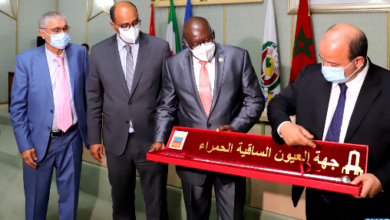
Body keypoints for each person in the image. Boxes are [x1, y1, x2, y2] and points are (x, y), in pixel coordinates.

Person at [267, 23, 390, 219]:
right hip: (316, 195)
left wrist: (382, 179)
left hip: (366, 202)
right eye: (322, 59)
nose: (324, 68)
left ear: (358, 61)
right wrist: (284, 126)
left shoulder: (387, 87)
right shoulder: (310, 75)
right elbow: (279, 102)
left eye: (333, 65)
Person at [151, 17, 265, 220]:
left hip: (229, 154)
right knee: (196, 216)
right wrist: (160, 138)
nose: (204, 46)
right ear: (186, 44)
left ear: (213, 33)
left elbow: (255, 101)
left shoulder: (238, 57)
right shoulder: (173, 64)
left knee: (231, 216)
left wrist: (236, 127)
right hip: (191, 157)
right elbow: (167, 108)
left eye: (207, 39)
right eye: (196, 43)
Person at [87, 1, 171, 219]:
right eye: (125, 25)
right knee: (121, 203)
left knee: (157, 203)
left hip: (152, 140)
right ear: (113, 25)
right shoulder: (98, 52)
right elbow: (94, 98)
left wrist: (163, 136)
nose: (132, 28)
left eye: (135, 23)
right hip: (116, 141)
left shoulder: (159, 47)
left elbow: (168, 97)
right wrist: (94, 138)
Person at [10, 11, 88, 220]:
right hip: (39, 142)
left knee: (70, 198)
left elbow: (87, 94)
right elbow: (17, 107)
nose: (62, 33)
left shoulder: (80, 54)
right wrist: (24, 144)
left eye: (65, 28)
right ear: (42, 33)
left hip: (72, 137)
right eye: (56, 30)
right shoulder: (26, 60)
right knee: (36, 199)